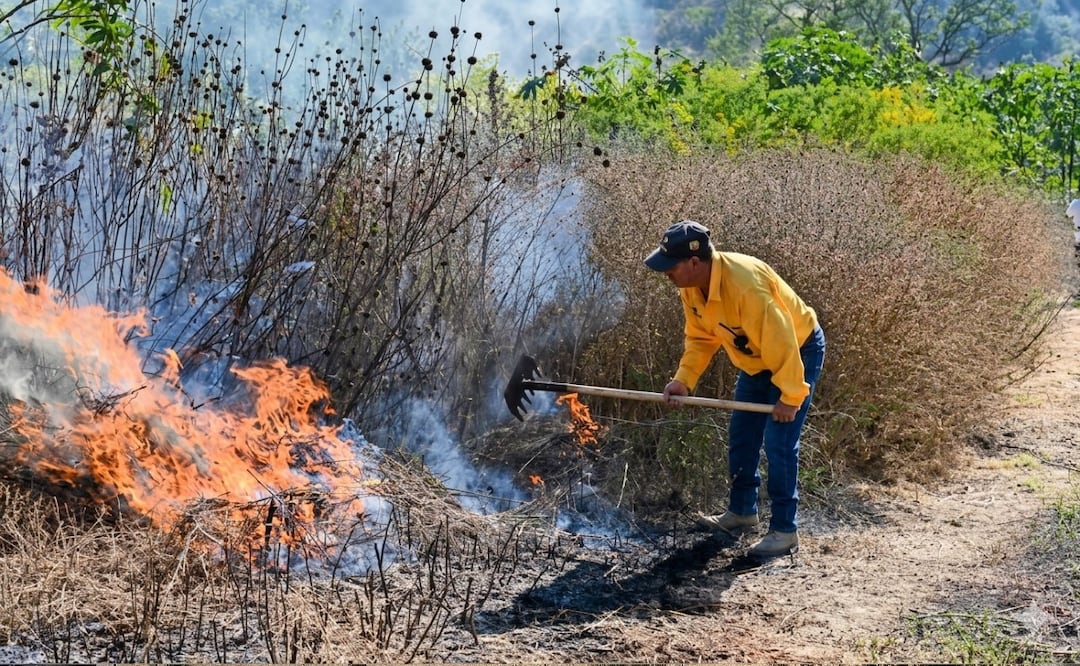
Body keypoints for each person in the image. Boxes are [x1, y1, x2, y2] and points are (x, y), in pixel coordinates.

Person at [643, 220, 826, 559]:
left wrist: (789, 396)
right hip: (754, 361)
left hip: (796, 351)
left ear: (695, 263)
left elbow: (782, 341)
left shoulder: (745, 287)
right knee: (742, 435)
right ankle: (742, 513)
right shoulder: (690, 287)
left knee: (779, 442)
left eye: (671, 266)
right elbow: (700, 338)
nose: (666, 273)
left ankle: (784, 531)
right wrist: (684, 379)